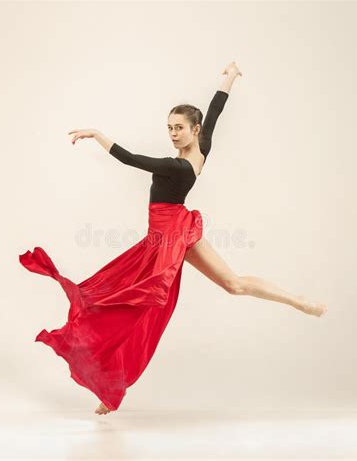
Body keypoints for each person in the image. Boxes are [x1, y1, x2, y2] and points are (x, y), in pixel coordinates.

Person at [19, 61, 327, 416]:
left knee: (132, 306)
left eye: (179, 128)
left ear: (193, 130)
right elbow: (215, 111)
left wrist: (96, 133)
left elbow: (130, 158)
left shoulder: (177, 166)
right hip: (169, 234)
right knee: (228, 285)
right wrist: (227, 79)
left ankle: (298, 301)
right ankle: (110, 388)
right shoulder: (203, 148)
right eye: (169, 128)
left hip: (167, 240)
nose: (173, 134)